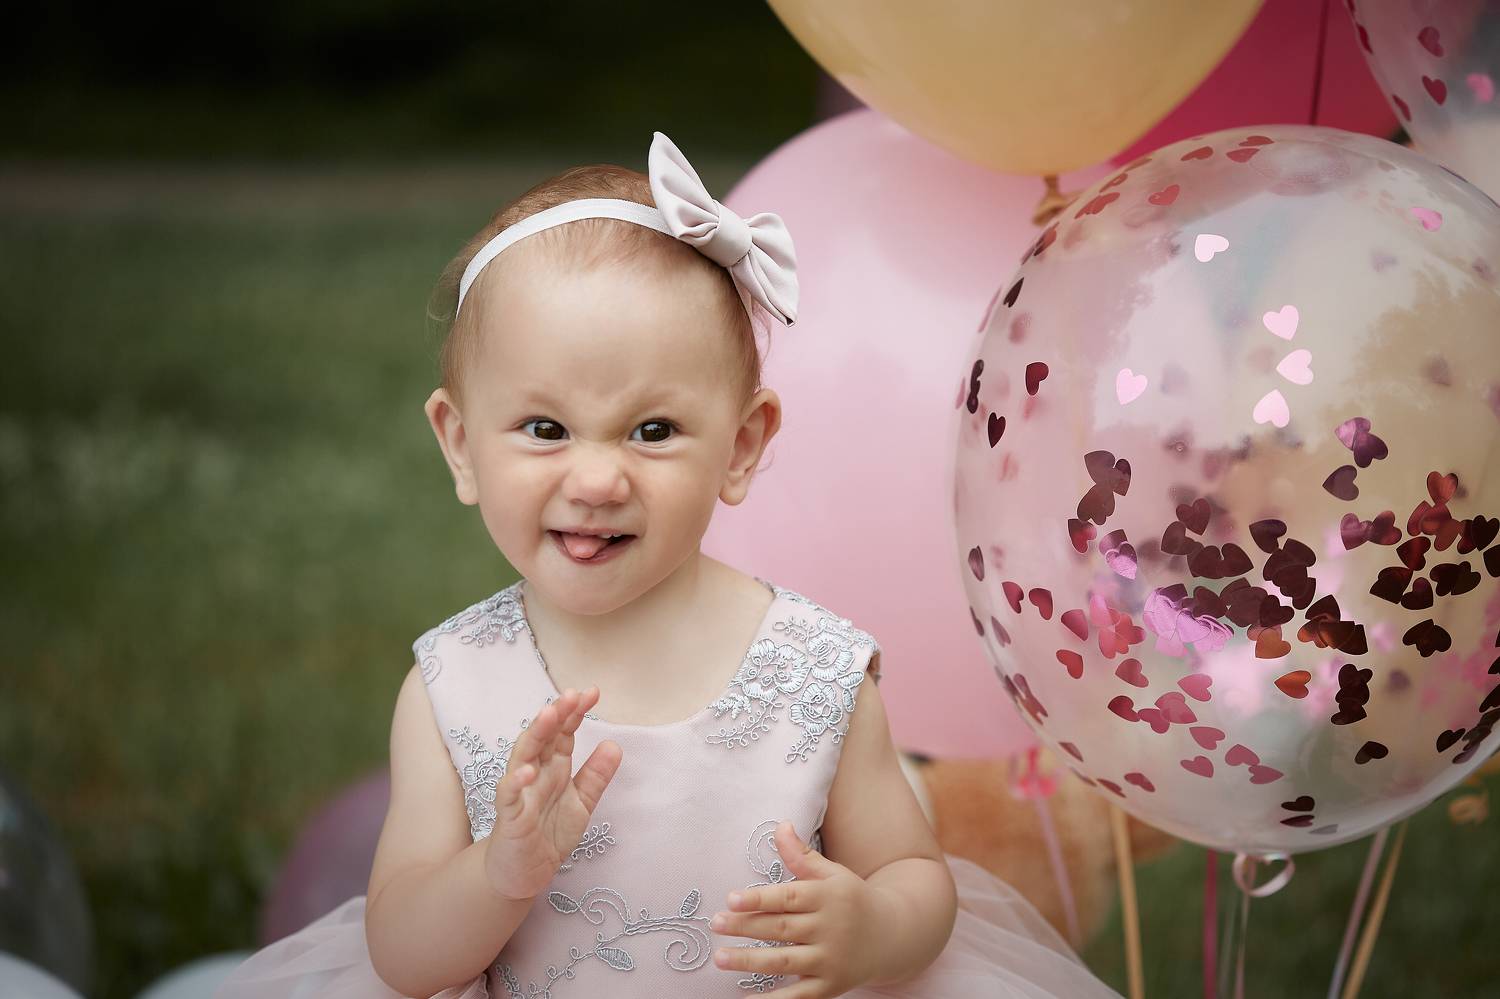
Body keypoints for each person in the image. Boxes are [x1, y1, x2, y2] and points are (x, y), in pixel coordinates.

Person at [215, 132, 1123, 999]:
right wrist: (499, 873)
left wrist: (875, 925)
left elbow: (914, 873)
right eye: (545, 428)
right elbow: (402, 951)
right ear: (460, 443)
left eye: (653, 430)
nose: (597, 479)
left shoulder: (816, 670)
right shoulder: (452, 686)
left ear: (742, 445)